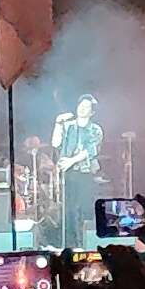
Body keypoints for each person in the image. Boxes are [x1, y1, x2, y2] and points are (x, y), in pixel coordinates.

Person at [53, 95, 103, 249]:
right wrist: (58, 123)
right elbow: (55, 143)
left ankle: (84, 243)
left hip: (85, 173)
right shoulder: (68, 126)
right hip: (69, 173)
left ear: (92, 112)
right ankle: (70, 244)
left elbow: (90, 150)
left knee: (83, 208)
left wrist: (71, 161)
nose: (82, 108)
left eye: (86, 107)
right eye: (81, 105)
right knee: (68, 209)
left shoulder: (95, 129)